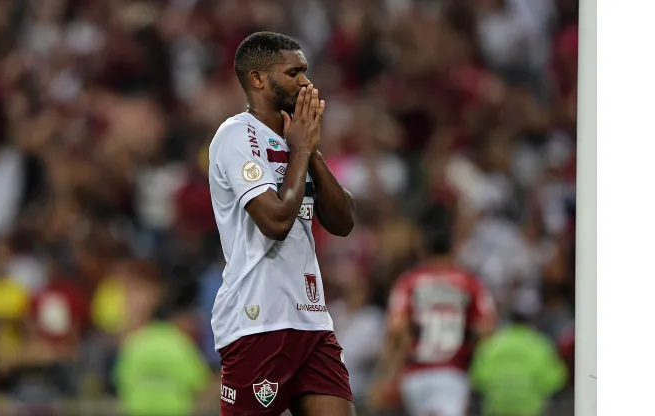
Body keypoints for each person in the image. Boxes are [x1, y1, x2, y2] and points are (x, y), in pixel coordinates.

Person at [208, 32, 357, 416]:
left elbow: (343, 222)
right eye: (294, 72)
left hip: (311, 319)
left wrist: (312, 152)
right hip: (258, 319)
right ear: (258, 79)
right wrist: (302, 150)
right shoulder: (236, 135)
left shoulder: (297, 141)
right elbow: (274, 220)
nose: (306, 82)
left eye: (306, 72)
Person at [370, 204, 496, 416]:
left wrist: (384, 377)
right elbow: (486, 331)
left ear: (424, 249)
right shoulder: (470, 283)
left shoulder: (408, 282)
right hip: (453, 373)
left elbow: (397, 332)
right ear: (453, 247)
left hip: (416, 376)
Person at [469, 311, 568, 416]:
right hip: (530, 408)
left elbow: (478, 377)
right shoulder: (541, 345)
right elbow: (556, 379)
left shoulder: (491, 344)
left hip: (497, 407)